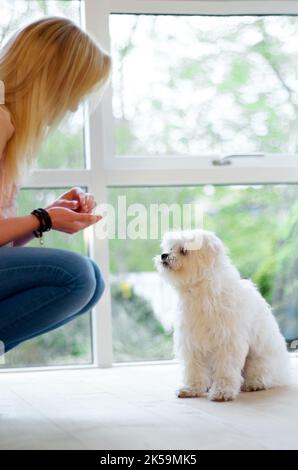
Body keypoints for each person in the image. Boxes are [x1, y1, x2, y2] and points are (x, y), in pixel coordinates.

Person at [0, 16, 112, 355]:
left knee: (91, 281)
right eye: (73, 91)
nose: (74, 105)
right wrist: (41, 220)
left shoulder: (14, 132)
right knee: (76, 275)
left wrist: (46, 217)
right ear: (51, 80)